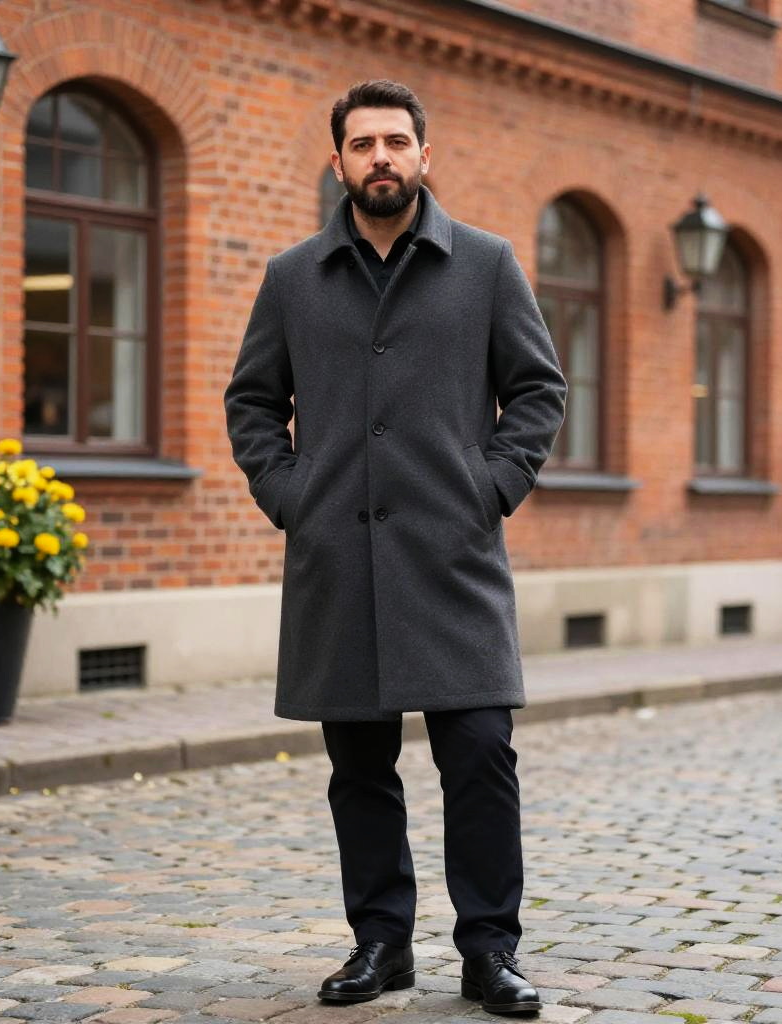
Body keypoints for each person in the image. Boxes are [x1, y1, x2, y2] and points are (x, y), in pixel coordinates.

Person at [224, 80, 567, 1014]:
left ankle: (490, 951)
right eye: (363, 143)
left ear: (425, 154)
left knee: (481, 755)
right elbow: (252, 402)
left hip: (454, 560)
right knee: (360, 769)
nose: (382, 156)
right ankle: (381, 943)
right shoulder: (293, 277)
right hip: (338, 561)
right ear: (338, 161)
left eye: (397, 141)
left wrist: (489, 488)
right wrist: (292, 496)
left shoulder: (485, 264)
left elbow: (538, 390)